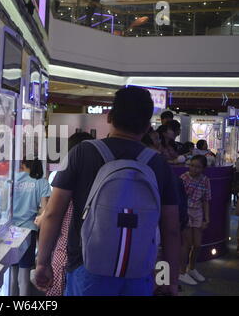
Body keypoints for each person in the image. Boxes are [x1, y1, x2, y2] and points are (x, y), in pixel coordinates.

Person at [35, 86, 180, 296]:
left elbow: (53, 213)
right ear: (148, 126)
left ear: (110, 116)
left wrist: (43, 262)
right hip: (139, 271)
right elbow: (171, 229)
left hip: (87, 266)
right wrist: (169, 280)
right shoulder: (159, 164)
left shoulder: (81, 152)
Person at [36, 131, 93, 297]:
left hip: (63, 256)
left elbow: (51, 216)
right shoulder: (94, 185)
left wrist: (42, 261)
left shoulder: (65, 182)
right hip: (90, 260)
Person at [10, 157, 50, 296]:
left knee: (12, 273)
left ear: (23, 164)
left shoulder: (12, 178)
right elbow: (46, 211)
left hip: (10, 230)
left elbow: (4, 203)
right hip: (28, 231)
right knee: (24, 274)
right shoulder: (41, 182)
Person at [179, 155, 211, 285]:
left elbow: (206, 200)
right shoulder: (183, 178)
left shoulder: (205, 180)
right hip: (185, 211)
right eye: (192, 165)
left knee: (197, 245)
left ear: (203, 168)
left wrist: (206, 219)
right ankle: (181, 272)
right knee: (186, 244)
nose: (194, 169)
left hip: (198, 212)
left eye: (198, 167)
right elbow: (179, 199)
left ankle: (192, 268)